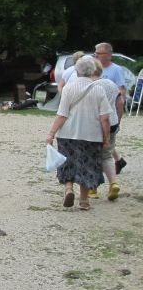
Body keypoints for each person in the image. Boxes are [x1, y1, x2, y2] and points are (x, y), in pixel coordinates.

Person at [46, 56, 111, 210]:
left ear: (76, 70)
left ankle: (68, 189)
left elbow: (62, 114)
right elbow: (105, 118)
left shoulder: (68, 88)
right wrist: (106, 137)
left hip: (68, 133)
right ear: (93, 71)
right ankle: (84, 201)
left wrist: (51, 133)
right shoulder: (99, 89)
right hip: (91, 135)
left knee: (67, 162)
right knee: (88, 165)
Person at [93, 42, 128, 176]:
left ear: (108, 55)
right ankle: (118, 160)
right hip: (96, 111)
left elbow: (121, 90)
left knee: (105, 140)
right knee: (105, 140)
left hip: (109, 112)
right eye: (95, 52)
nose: (95, 55)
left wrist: (119, 111)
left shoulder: (116, 69)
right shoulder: (95, 67)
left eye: (99, 53)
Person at [90, 61, 122, 201]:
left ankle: (93, 188)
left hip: (96, 124)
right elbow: (120, 103)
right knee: (107, 155)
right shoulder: (111, 84)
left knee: (92, 156)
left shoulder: (90, 86)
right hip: (113, 122)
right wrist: (118, 121)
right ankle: (113, 183)